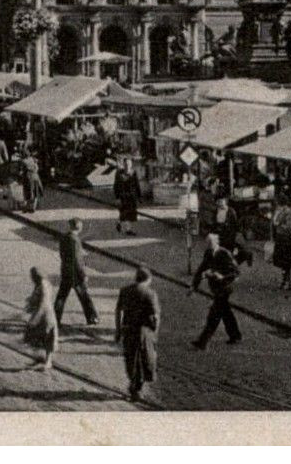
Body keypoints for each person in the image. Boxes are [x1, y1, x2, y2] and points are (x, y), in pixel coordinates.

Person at [114, 265, 161, 403]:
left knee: (130, 359)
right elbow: (155, 316)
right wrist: (155, 333)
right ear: (148, 279)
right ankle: (136, 389)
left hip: (128, 329)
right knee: (145, 360)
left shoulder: (125, 290)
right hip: (143, 332)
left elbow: (118, 311)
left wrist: (118, 330)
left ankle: (133, 385)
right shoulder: (150, 293)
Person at [190, 233, 243, 349]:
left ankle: (202, 342)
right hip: (216, 288)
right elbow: (201, 269)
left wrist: (221, 276)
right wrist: (194, 286)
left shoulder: (224, 254)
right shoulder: (209, 253)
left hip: (225, 288)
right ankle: (235, 335)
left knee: (213, 316)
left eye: (210, 244)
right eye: (207, 244)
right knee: (226, 312)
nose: (208, 246)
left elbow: (235, 272)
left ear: (216, 243)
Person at [54, 218, 100, 327]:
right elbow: (77, 260)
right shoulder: (75, 240)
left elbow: (62, 255)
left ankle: (55, 318)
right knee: (84, 296)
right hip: (75, 274)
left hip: (66, 271)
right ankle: (92, 318)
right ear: (79, 227)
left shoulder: (64, 238)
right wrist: (83, 274)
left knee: (61, 296)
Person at [22, 266, 59, 372]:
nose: (31, 278)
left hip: (45, 316)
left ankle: (48, 362)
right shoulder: (40, 284)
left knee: (47, 337)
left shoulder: (43, 286)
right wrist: (30, 301)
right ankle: (40, 358)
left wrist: (35, 318)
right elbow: (36, 298)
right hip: (42, 315)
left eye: (32, 276)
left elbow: (43, 303)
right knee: (37, 337)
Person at [270, 200, 291, 290]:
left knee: (286, 261)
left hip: (285, 239)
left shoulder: (288, 212)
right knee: (282, 261)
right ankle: (284, 280)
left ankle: (287, 281)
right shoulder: (278, 212)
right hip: (280, 239)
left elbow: (288, 226)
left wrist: (279, 225)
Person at [113, 160, 140, 235]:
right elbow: (116, 186)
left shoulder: (133, 173)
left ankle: (119, 223)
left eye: (129, 164)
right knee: (124, 212)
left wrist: (139, 196)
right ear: (124, 165)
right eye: (126, 164)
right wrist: (117, 197)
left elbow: (137, 185)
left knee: (130, 213)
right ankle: (128, 229)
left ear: (131, 165)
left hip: (131, 197)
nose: (127, 166)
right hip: (123, 197)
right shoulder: (119, 173)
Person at [18, 149, 43, 213]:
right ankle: (33, 208)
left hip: (28, 178)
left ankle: (26, 208)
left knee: (27, 193)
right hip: (35, 177)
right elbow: (37, 168)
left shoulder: (23, 161)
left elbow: (21, 172)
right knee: (35, 193)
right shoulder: (33, 160)